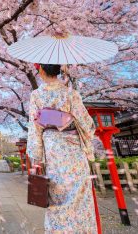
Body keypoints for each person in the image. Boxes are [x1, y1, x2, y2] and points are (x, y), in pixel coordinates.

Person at [27, 64, 97, 233]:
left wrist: (36, 158)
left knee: (56, 197)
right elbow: (87, 124)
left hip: (53, 152)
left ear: (41, 70)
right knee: (79, 197)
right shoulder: (71, 93)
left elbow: (34, 128)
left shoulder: (36, 95)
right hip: (74, 151)